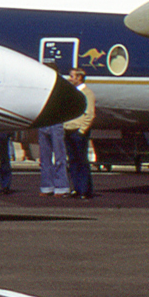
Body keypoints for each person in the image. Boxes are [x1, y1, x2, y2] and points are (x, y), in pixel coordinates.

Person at [63, 68, 96, 199]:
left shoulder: (87, 93)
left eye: (72, 76)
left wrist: (82, 130)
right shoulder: (72, 93)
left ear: (79, 78)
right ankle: (76, 188)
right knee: (73, 161)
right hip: (69, 130)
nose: (69, 78)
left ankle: (85, 190)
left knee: (82, 161)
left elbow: (90, 114)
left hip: (78, 132)